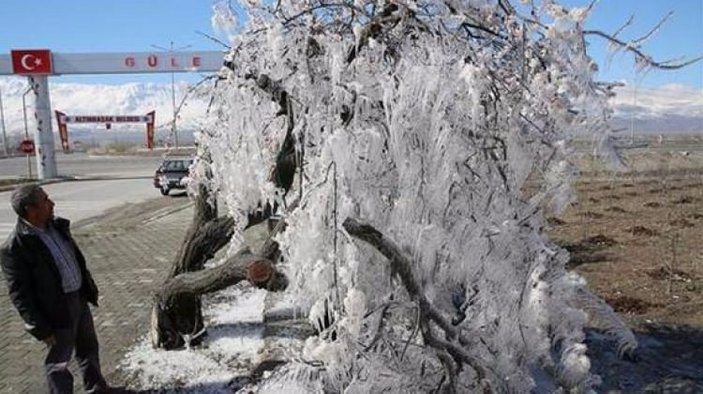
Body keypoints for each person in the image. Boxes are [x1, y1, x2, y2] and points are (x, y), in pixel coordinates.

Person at [0, 184, 108, 393]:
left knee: (88, 348)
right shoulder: (15, 247)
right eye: (46, 201)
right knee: (59, 362)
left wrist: (87, 288)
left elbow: (74, 259)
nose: (52, 204)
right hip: (56, 309)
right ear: (31, 210)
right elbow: (19, 294)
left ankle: (97, 389)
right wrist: (39, 326)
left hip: (78, 297)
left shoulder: (57, 226)